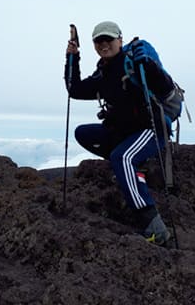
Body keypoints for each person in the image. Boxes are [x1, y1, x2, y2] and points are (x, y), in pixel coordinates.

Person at [64, 20, 174, 245]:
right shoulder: (102, 73)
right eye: (98, 40)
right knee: (83, 133)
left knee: (122, 157)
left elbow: (165, 89)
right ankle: (132, 168)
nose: (104, 44)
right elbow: (74, 90)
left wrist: (150, 65)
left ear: (120, 40)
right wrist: (72, 57)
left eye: (109, 39)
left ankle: (154, 227)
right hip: (125, 132)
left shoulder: (134, 62)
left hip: (151, 129)